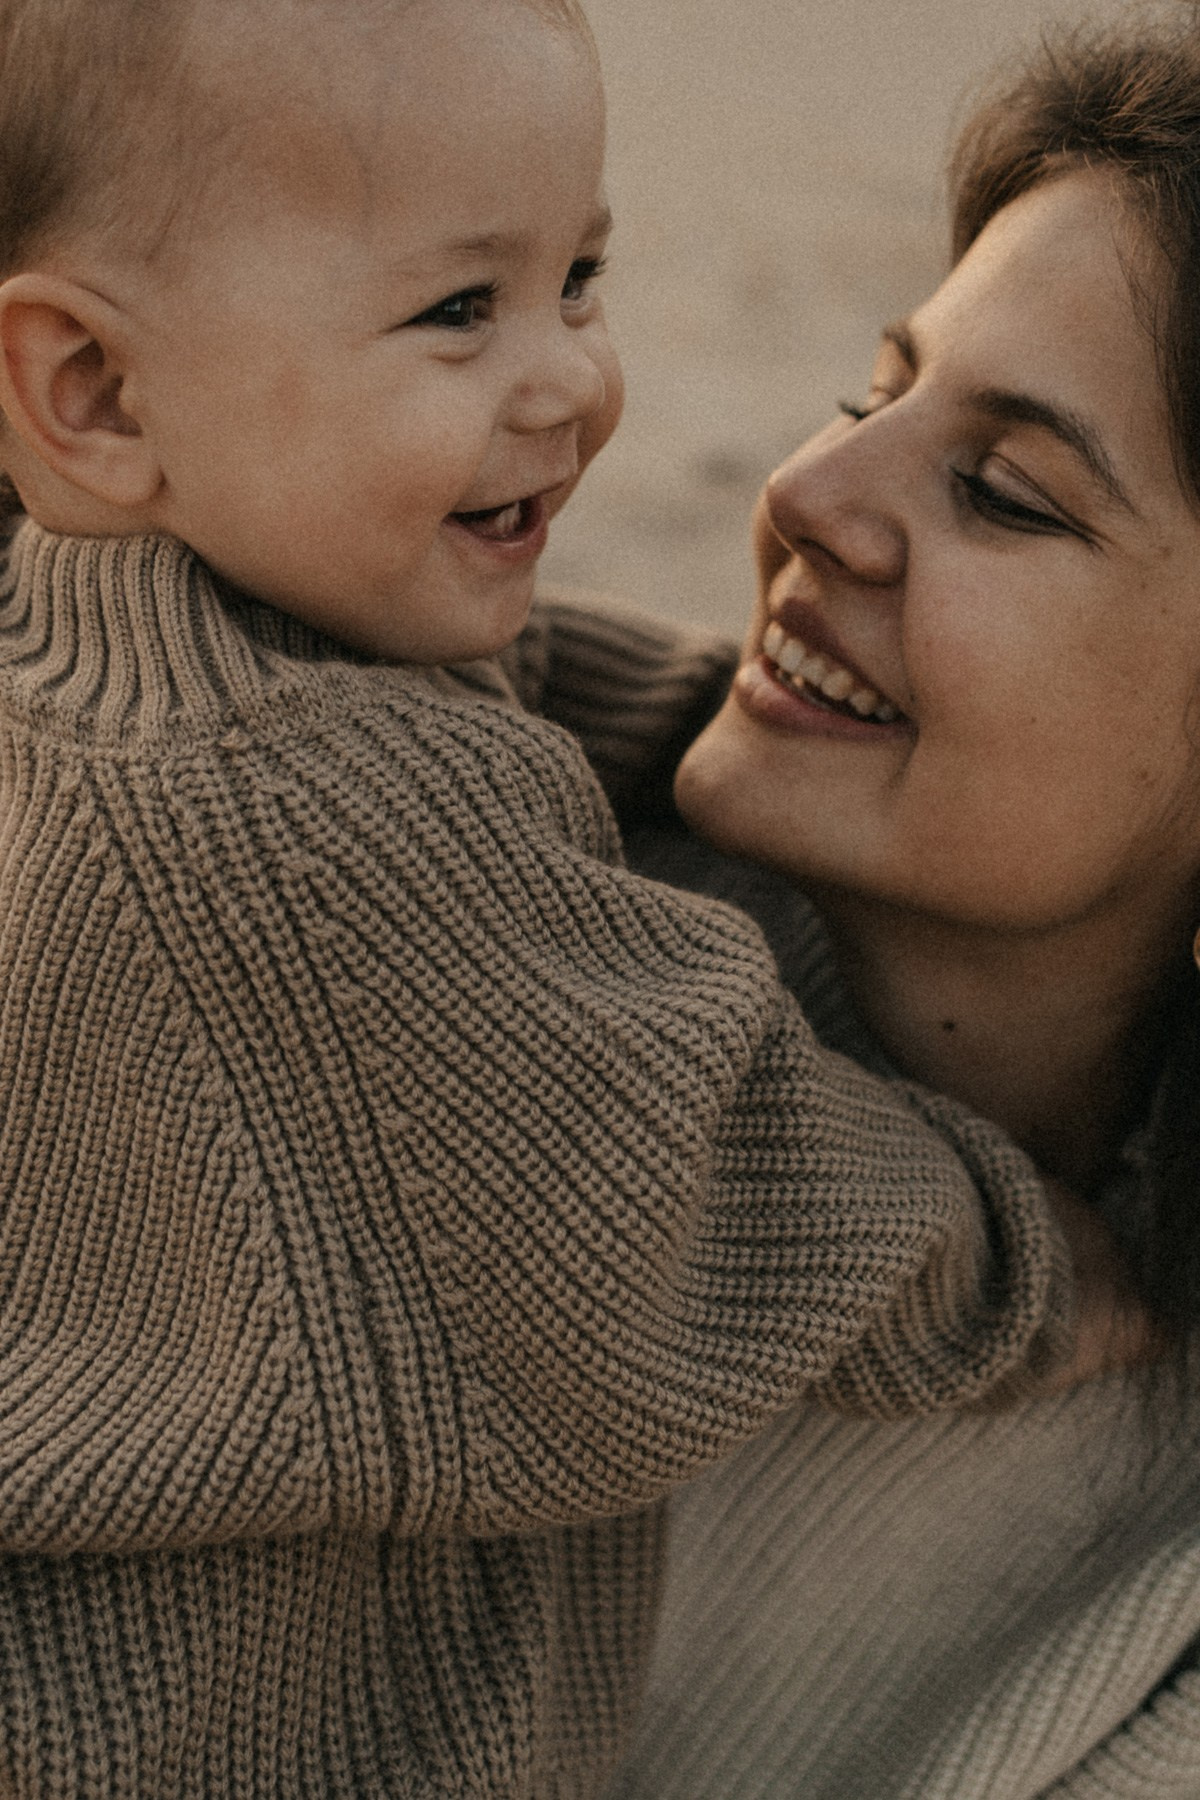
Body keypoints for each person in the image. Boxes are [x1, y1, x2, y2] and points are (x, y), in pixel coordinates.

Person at [0, 0, 1112, 1794]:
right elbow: (677, 1196)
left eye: (578, 278)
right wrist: (1031, 1262)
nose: (574, 383)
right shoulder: (311, 844)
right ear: (98, 393)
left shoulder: (173, 646)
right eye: (459, 310)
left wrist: (711, 731)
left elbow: (524, 710)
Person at [607, 15, 1200, 1799]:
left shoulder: (1149, 1581)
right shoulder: (405, 924)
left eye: (1007, 495)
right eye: (876, 392)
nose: (805, 495)